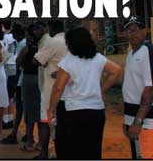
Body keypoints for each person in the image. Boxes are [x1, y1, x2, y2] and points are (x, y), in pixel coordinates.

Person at [48, 27, 122, 159]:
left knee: (68, 150)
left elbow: (58, 87)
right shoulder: (98, 58)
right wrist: (100, 89)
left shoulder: (68, 61)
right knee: (92, 150)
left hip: (71, 111)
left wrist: (51, 110)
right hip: (95, 111)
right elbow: (115, 71)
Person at [121, 15, 153, 159]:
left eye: (135, 30)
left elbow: (150, 88)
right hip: (135, 117)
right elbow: (132, 88)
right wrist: (127, 120)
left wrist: (137, 121)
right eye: (129, 31)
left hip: (149, 120)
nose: (132, 34)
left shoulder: (149, 51)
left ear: (145, 31)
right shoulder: (131, 54)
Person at [32, 20, 69, 159]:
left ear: (48, 28)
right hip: (68, 88)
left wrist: (46, 62)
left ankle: (44, 153)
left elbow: (36, 60)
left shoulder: (52, 42)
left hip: (51, 88)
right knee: (61, 122)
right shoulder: (69, 41)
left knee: (45, 121)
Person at [0, 23, 26, 145]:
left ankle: (11, 125)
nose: (13, 35)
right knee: (14, 99)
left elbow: (18, 61)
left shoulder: (23, 44)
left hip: (17, 74)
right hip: (15, 71)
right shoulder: (18, 43)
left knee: (13, 99)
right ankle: (13, 124)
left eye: (15, 33)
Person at [1, 20, 18, 129]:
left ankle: (5, 120)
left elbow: (5, 53)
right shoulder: (14, 37)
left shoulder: (5, 38)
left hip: (6, 66)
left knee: (5, 94)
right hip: (14, 65)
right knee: (11, 95)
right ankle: (10, 119)